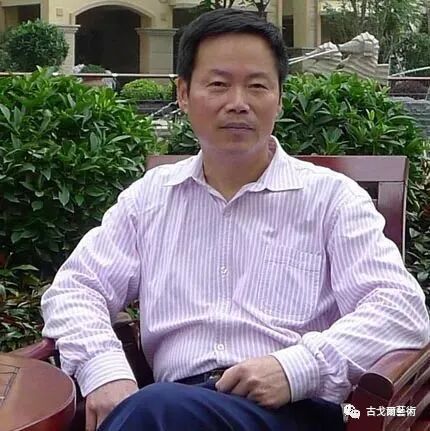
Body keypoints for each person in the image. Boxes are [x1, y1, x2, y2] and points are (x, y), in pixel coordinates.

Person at [41, 8, 429, 431]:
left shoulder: (331, 200)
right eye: (219, 84)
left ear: (280, 98)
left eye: (257, 86)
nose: (238, 103)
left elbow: (400, 309)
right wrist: (105, 369)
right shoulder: (150, 199)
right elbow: (78, 288)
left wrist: (298, 366)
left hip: (292, 410)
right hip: (172, 405)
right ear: (183, 94)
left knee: (156, 410)